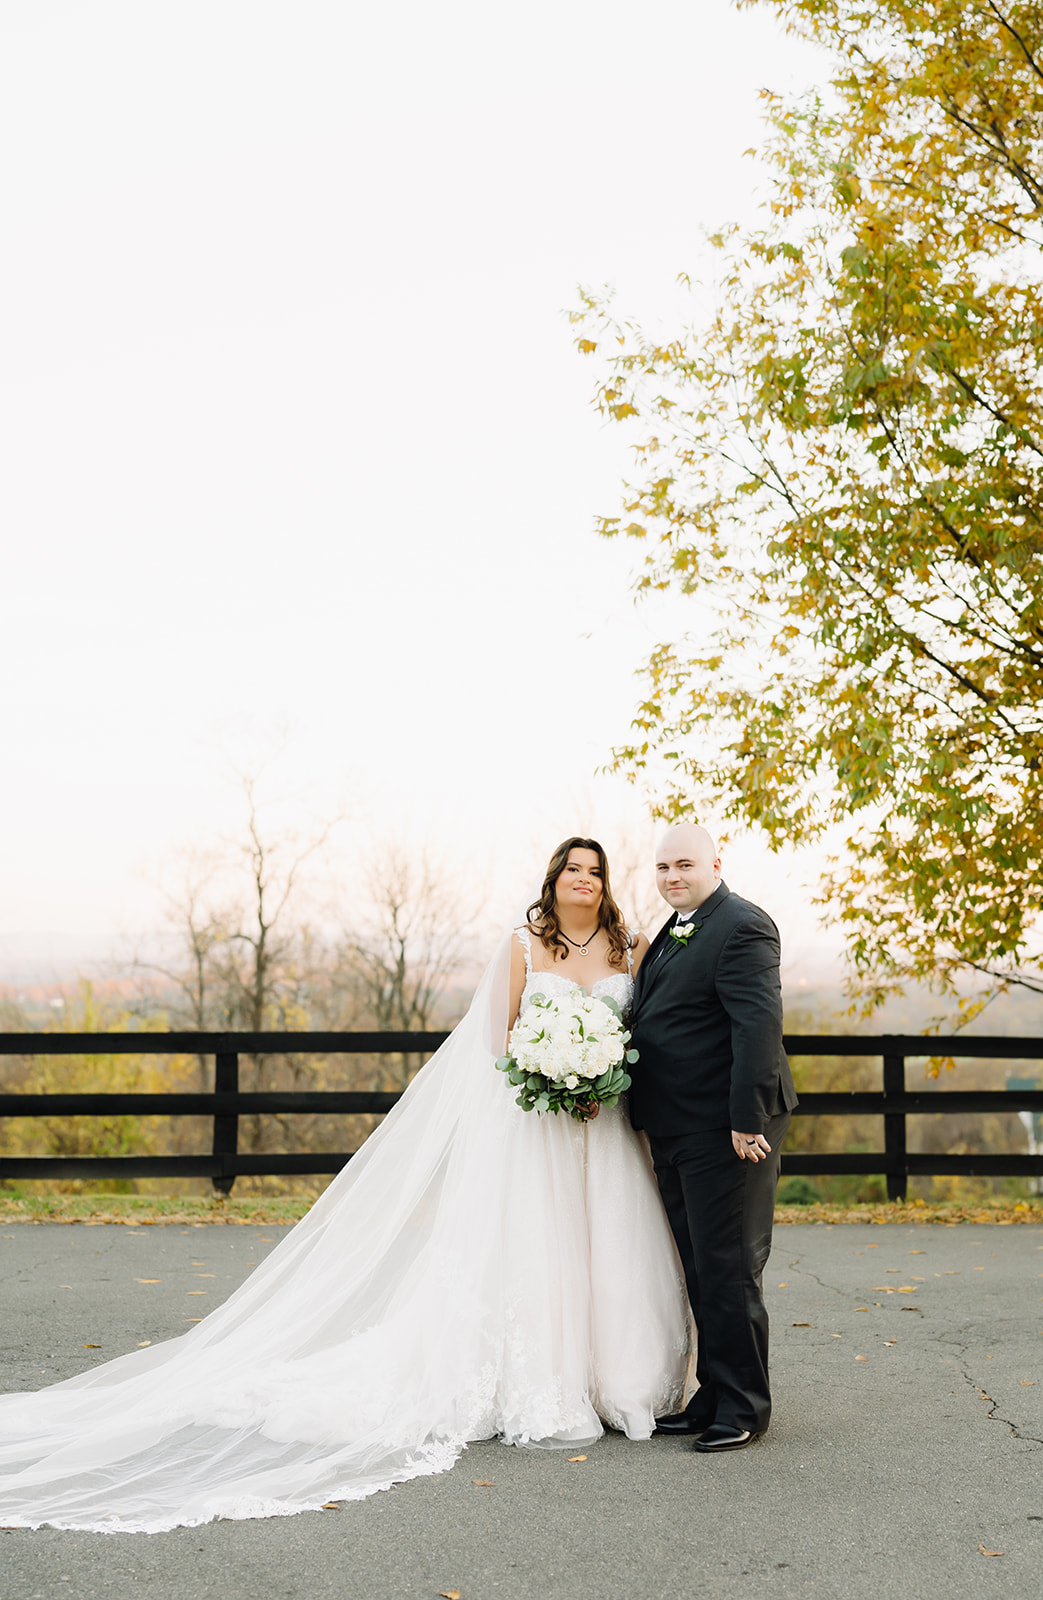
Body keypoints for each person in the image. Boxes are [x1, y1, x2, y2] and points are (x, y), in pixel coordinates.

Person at [0, 838, 690, 1533]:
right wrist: (548, 1070)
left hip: (603, 1127)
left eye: (594, 871)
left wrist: (597, 1076)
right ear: (554, 878)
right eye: (572, 869)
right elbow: (494, 1038)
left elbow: (637, 1027)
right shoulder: (522, 941)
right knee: (539, 1250)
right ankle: (544, 1384)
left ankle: (617, 1382)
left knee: (610, 1246)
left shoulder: (627, 945)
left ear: (605, 884)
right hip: (536, 1126)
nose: (583, 879)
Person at [629, 822, 797, 1453]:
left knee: (728, 1265)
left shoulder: (743, 925)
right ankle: (715, 1392)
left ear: (715, 862)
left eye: (684, 865)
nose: (672, 876)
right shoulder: (676, 929)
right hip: (676, 1123)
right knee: (699, 1263)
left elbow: (759, 1027)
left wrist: (747, 1119)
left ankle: (746, 1407)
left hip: (726, 1127)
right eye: (663, 867)